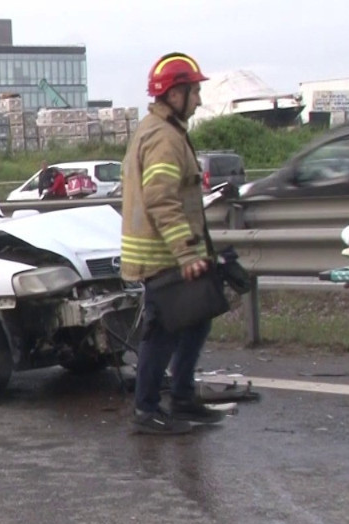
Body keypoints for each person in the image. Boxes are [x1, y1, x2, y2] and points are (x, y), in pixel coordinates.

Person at [121, 52, 226, 435]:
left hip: (170, 251)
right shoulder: (163, 138)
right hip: (163, 255)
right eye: (193, 91)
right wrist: (185, 253)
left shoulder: (164, 131)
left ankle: (181, 397)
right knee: (162, 332)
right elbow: (161, 199)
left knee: (196, 320)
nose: (198, 100)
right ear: (174, 94)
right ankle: (147, 410)